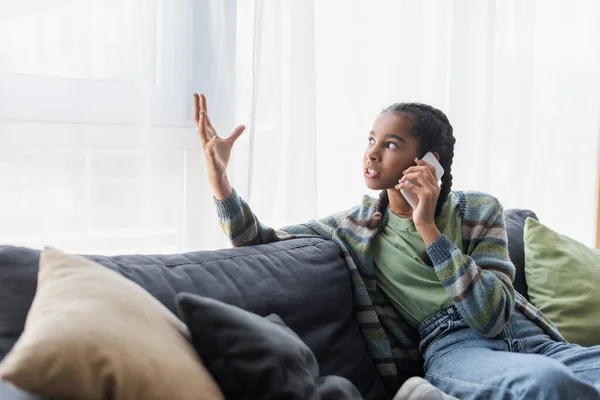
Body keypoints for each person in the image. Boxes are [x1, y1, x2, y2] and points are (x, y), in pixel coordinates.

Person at [193, 93, 600, 400]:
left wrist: (428, 227)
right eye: (371, 139)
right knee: (547, 385)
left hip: (531, 338)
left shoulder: (479, 209)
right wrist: (220, 182)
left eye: (389, 144)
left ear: (428, 160)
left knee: (559, 375)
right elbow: (256, 242)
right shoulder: (353, 228)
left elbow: (495, 311)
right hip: (456, 348)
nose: (371, 151)